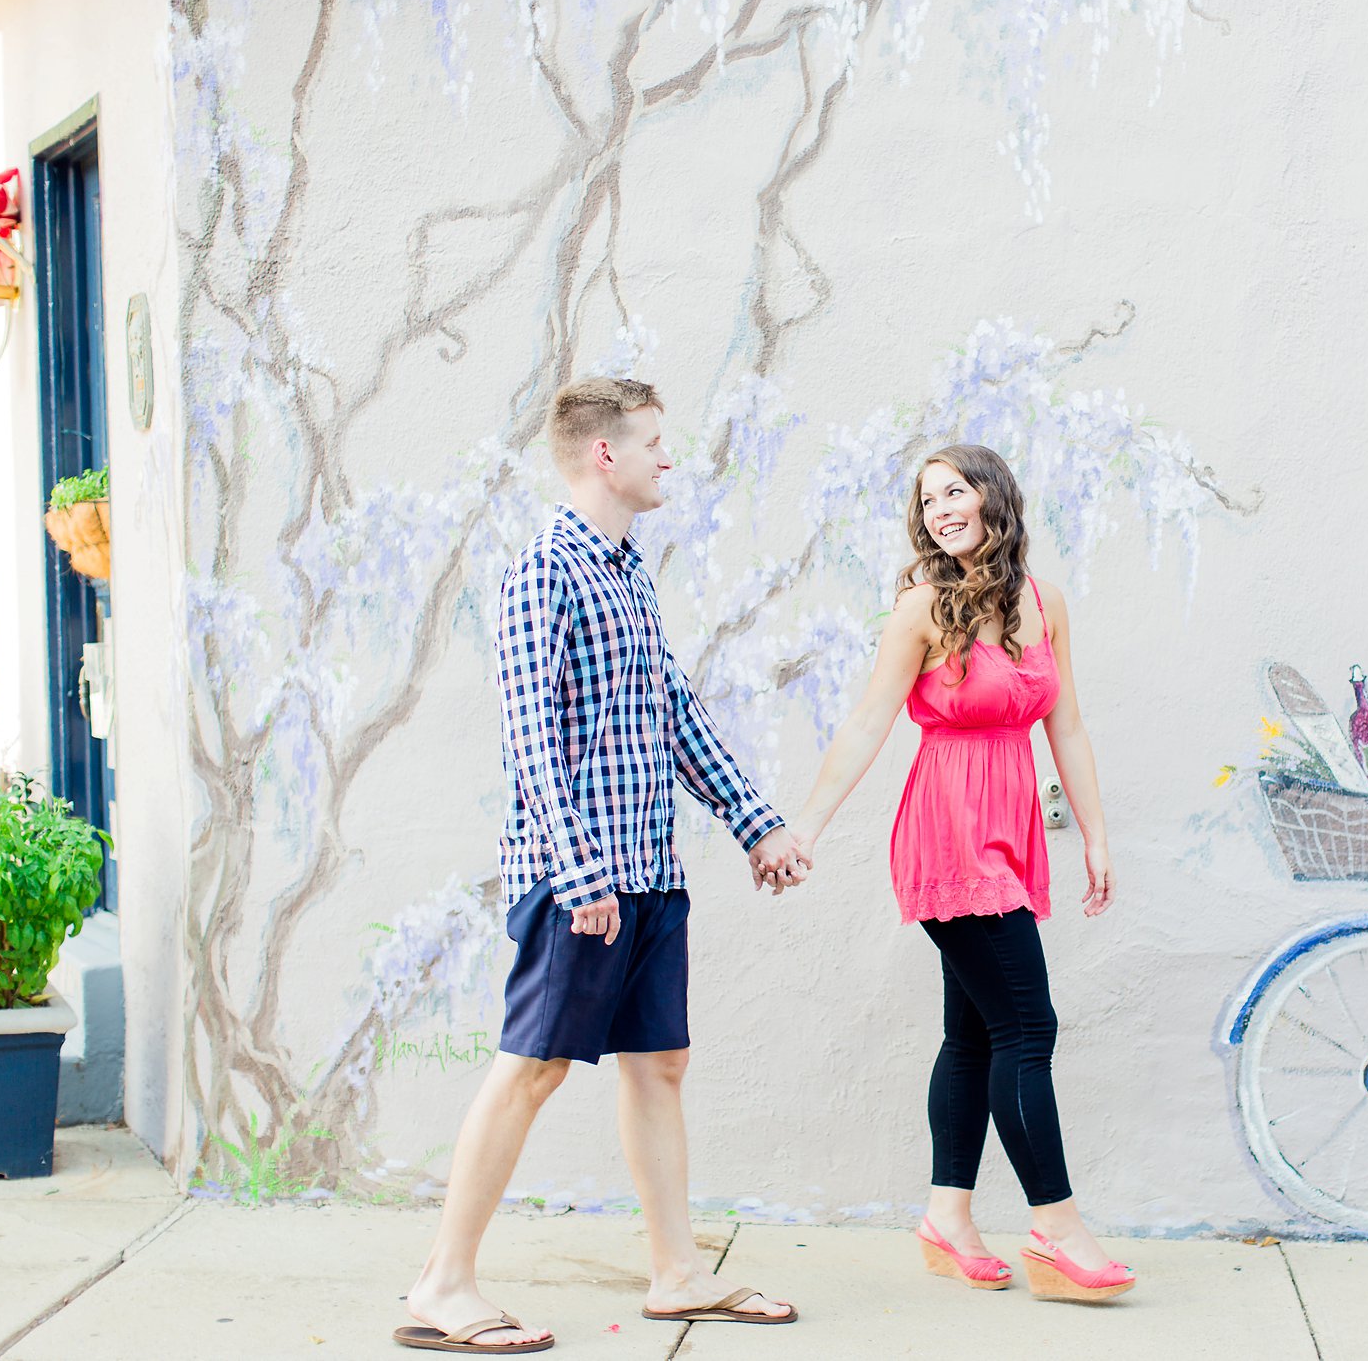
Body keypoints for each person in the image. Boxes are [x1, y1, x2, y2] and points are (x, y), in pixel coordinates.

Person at [396, 378, 812, 1354]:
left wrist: (758, 825)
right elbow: (529, 738)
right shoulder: (544, 570)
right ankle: (442, 1282)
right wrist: (581, 872)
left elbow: (673, 715)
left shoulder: (628, 571)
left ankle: (676, 1273)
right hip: (577, 881)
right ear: (603, 455)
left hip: (648, 872)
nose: (671, 459)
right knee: (532, 1067)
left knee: (659, 1064)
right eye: (656, 443)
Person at [791, 443, 1136, 1302]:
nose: (940, 508)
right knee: (1030, 1027)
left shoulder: (1043, 602)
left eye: (954, 490)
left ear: (992, 496)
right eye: (926, 498)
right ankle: (1056, 1230)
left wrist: (1094, 834)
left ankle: (947, 1217)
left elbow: (1069, 727)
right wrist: (805, 827)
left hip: (1012, 826)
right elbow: (871, 722)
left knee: (977, 1033)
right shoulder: (922, 608)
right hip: (949, 829)